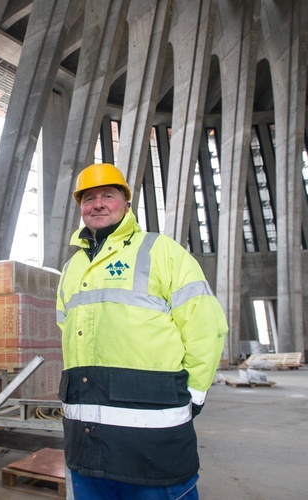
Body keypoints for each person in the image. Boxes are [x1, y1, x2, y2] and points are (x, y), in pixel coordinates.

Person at [56, 163, 228, 499]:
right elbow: (67, 329)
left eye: (108, 195)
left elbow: (206, 325)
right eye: (89, 198)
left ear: (126, 204)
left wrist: (193, 394)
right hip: (86, 443)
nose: (98, 204)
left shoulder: (160, 250)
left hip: (152, 444)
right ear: (81, 208)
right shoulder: (72, 268)